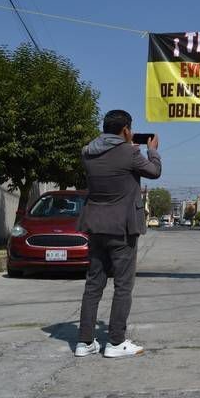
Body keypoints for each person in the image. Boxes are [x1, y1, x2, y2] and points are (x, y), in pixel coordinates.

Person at [74, 110, 161, 358]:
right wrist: (151, 149)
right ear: (125, 130)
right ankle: (115, 342)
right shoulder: (130, 153)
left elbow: (110, 162)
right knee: (123, 286)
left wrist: (127, 147)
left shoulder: (88, 152)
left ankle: (85, 341)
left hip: (95, 226)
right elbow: (154, 171)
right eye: (130, 130)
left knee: (93, 285)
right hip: (122, 229)